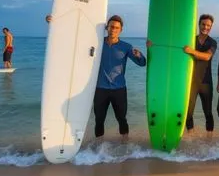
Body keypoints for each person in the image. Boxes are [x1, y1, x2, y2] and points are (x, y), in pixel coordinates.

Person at [46, 14, 146, 142]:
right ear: (106, 28)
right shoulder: (96, 43)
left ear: (121, 30)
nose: (113, 30)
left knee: (122, 118)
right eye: (111, 27)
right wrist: (55, 24)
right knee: (99, 119)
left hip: (119, 89)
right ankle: (99, 146)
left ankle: (124, 143)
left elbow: (142, 63)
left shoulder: (126, 47)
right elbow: (73, 39)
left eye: (116, 28)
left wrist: (139, 55)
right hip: (100, 89)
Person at [183, 14, 217, 139]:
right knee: (188, 112)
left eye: (208, 25)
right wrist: (153, 44)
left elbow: (207, 56)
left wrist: (192, 52)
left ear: (211, 27)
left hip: (206, 82)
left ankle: (209, 138)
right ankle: (191, 136)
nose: (205, 27)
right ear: (199, 24)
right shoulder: (191, 39)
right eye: (203, 24)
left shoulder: (212, 42)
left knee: (208, 112)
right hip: (191, 82)